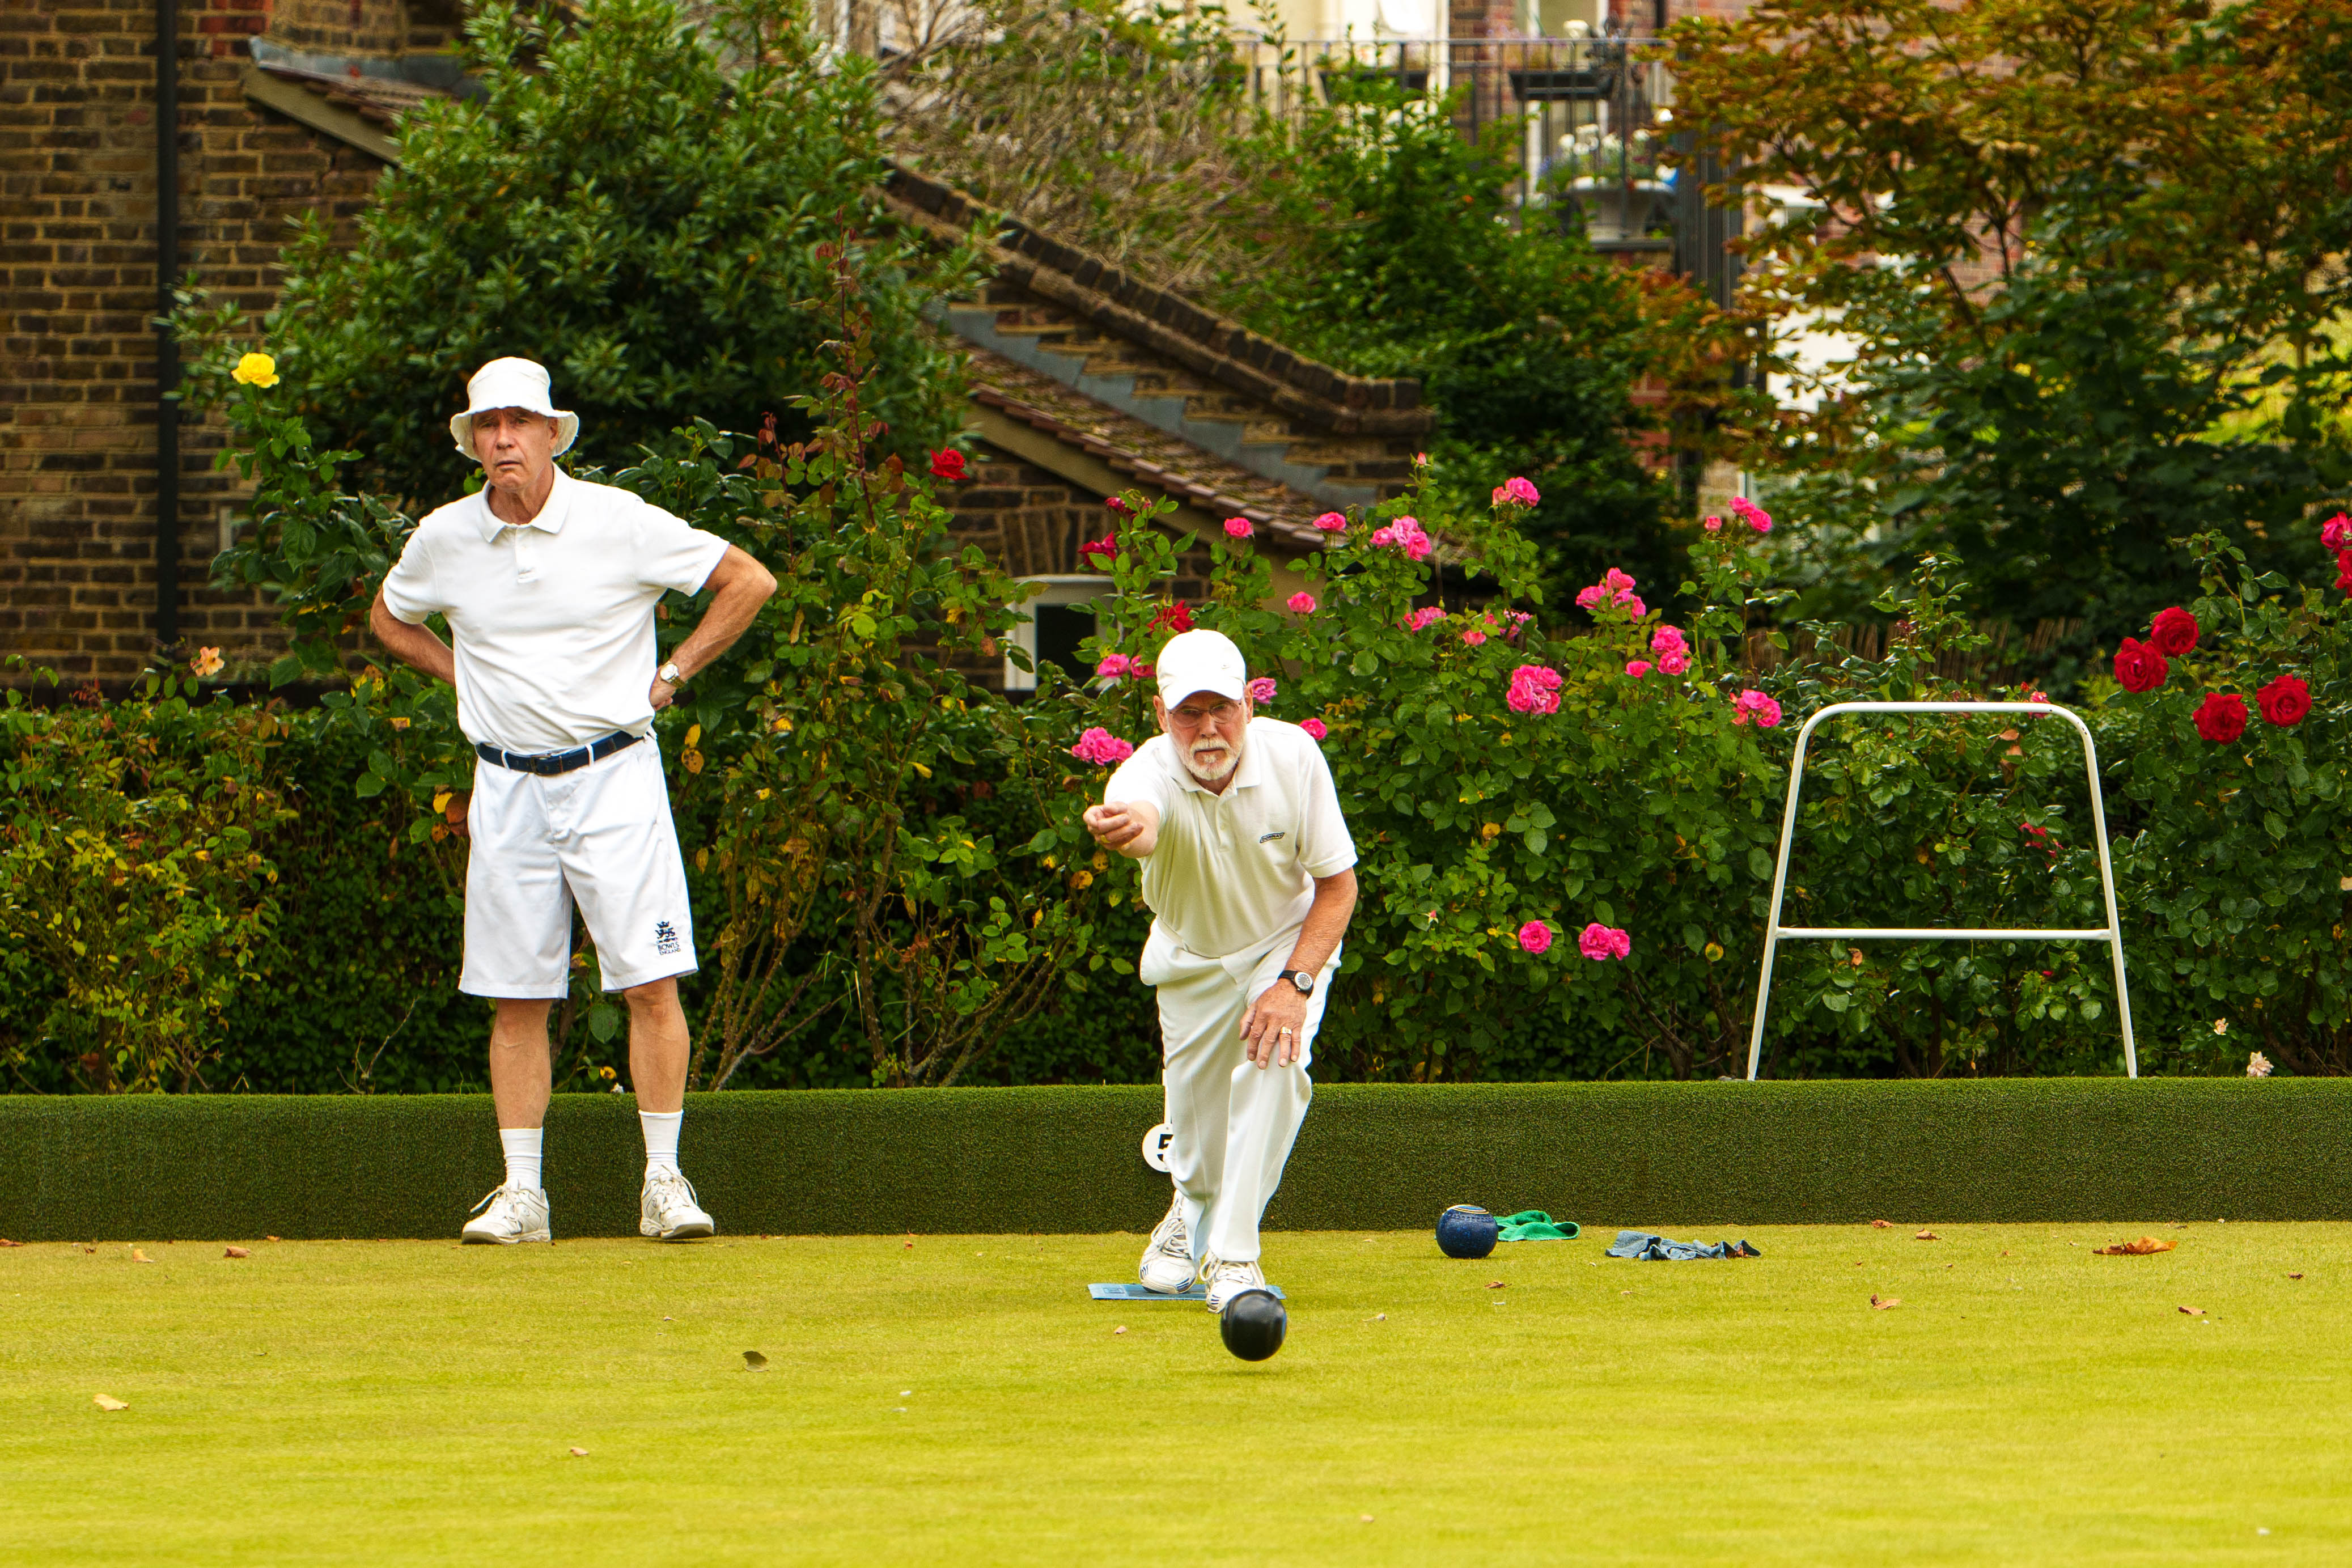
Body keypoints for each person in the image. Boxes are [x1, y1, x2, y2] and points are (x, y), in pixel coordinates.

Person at [368, 357, 777, 1244]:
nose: (503, 438)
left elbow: (747, 579)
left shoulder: (617, 522)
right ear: (473, 441)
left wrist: (671, 675)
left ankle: (664, 1182)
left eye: (520, 421)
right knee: (514, 997)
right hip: (506, 784)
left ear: (554, 433)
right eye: (488, 424)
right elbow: (388, 616)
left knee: (649, 982)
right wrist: (458, 678)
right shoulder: (444, 538)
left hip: (614, 774)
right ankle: (523, 1195)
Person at [1083, 629, 1359, 1310]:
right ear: (1159, 714)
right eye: (1188, 713)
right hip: (1192, 961)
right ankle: (1190, 1206)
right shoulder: (1144, 773)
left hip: (1285, 946)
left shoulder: (1295, 756)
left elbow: (1338, 886)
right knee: (1199, 1147)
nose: (1208, 730)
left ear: (1247, 703)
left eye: (1222, 710)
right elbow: (1142, 823)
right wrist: (1126, 831)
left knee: (1278, 1065)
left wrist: (1293, 985)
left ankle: (1235, 1257)